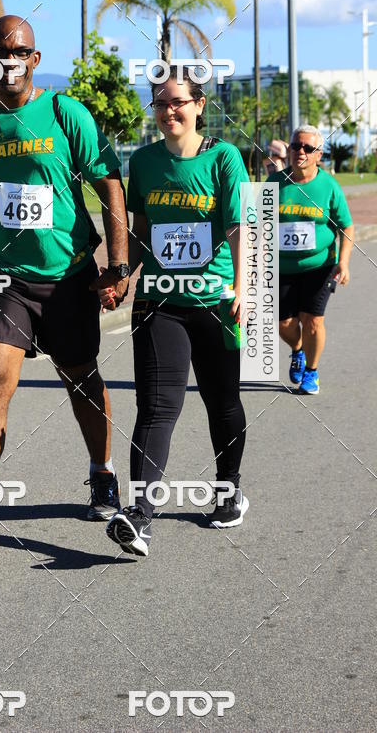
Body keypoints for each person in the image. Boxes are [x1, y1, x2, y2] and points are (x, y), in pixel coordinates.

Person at [0, 15, 130, 559]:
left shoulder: (66, 114)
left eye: (18, 52)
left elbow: (109, 181)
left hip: (67, 277)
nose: (8, 61)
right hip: (3, 280)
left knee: (81, 377)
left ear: (34, 60)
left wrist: (118, 262)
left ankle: (102, 473)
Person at [102, 67, 250, 558]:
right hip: (160, 302)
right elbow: (141, 227)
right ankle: (139, 516)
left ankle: (228, 488)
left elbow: (237, 228)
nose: (170, 111)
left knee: (221, 402)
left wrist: (244, 288)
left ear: (199, 105)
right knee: (156, 407)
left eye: (179, 102)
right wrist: (123, 274)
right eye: (162, 103)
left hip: (214, 301)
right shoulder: (143, 162)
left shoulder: (223, 158)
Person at [269, 125, 354, 395]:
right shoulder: (275, 184)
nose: (300, 152)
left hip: (320, 266)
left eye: (308, 148)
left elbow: (346, 226)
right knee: (284, 323)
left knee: (313, 320)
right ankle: (298, 350)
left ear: (319, 155)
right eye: (296, 146)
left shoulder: (329, 186)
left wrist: (344, 262)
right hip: (281, 267)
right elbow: (257, 224)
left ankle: (312, 372)